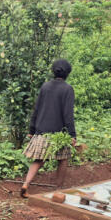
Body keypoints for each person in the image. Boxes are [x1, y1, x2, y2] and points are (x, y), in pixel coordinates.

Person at [21, 59, 76, 196]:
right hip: (57, 134)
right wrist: (72, 135)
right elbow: (68, 114)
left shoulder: (45, 86)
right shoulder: (67, 89)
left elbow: (37, 109)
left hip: (41, 131)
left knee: (39, 160)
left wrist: (31, 130)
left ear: (53, 71)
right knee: (63, 159)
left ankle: (26, 184)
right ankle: (58, 189)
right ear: (67, 73)